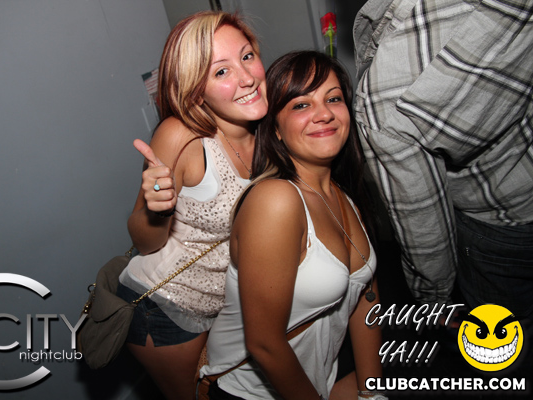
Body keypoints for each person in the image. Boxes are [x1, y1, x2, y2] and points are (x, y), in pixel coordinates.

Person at [353, 0, 533, 371]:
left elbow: (425, 230)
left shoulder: (386, 96)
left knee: (502, 355)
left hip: (498, 227)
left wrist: (434, 301)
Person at [201, 51, 385, 400]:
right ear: (276, 129)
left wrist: (371, 392)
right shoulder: (276, 200)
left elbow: (366, 297)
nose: (324, 113)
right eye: (301, 105)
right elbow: (264, 344)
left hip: (322, 379)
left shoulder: (342, 194)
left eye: (333, 99)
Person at [116, 11, 268, 400]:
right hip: (164, 306)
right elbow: (143, 240)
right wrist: (157, 209)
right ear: (196, 90)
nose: (247, 78)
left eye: (247, 56)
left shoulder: (268, 128)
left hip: (224, 304)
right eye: (221, 71)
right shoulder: (181, 137)